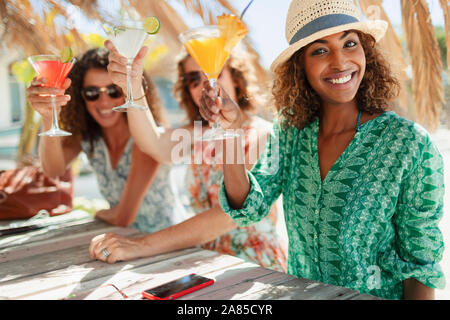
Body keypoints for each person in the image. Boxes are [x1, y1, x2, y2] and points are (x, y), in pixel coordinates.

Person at [199, 0, 445, 300]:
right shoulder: (291, 131)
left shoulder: (409, 145)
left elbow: (420, 266)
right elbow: (250, 206)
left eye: (349, 43)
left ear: (365, 51)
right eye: (319, 50)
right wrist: (231, 132)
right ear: (300, 64)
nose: (340, 62)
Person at [89, 40, 287, 273]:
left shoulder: (261, 134)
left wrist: (141, 244)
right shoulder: (196, 133)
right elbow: (152, 143)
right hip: (203, 263)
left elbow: (229, 215)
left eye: (213, 73)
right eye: (194, 79)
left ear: (235, 77)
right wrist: (132, 85)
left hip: (255, 268)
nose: (205, 84)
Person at [26, 47, 187, 235]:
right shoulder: (89, 137)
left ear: (127, 90)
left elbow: (124, 217)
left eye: (113, 91)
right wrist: (47, 118)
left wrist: (97, 213)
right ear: (80, 98)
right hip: (123, 244)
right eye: (92, 93)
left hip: (169, 244)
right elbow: (53, 169)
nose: (104, 102)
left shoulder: (148, 140)